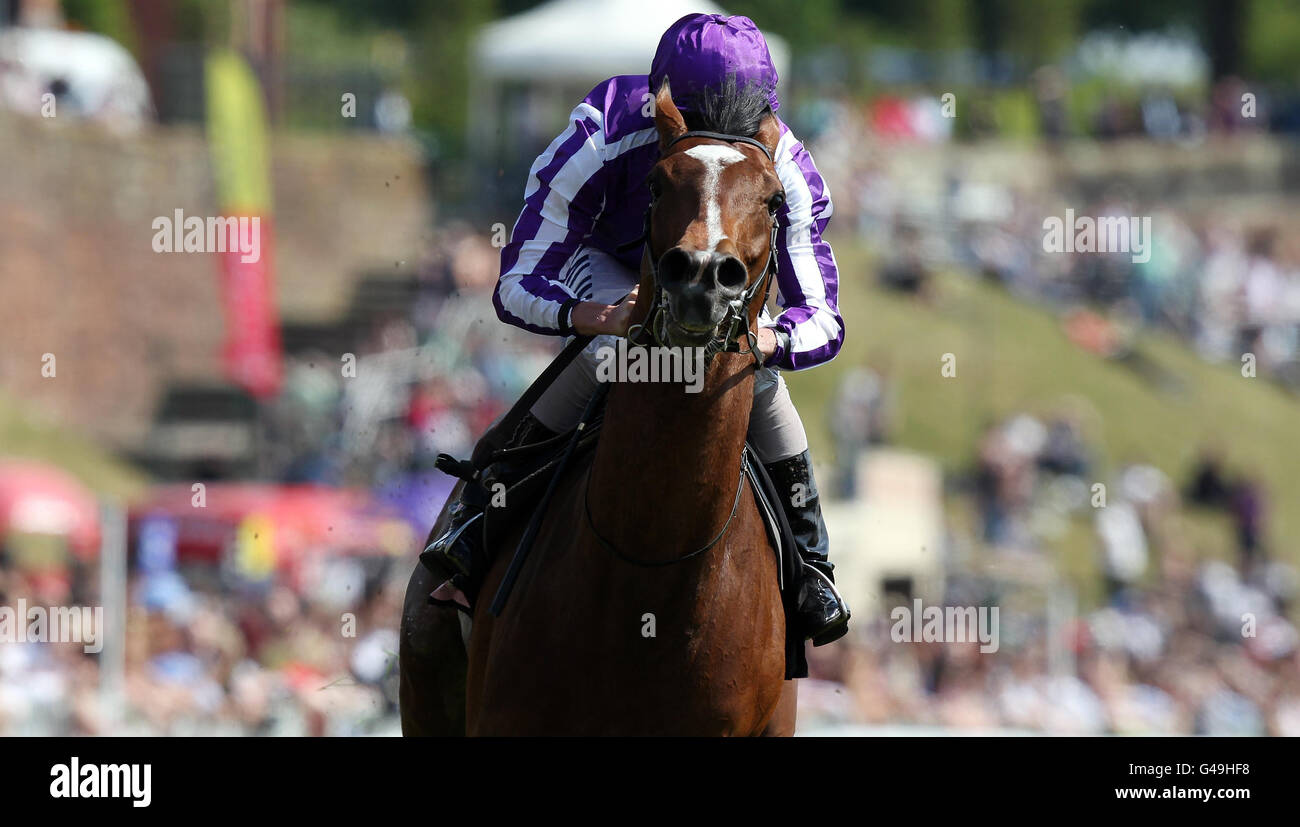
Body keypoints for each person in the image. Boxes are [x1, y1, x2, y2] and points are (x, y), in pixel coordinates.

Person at [427, 13, 849, 645]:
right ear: (661, 112)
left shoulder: (783, 162)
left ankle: (812, 563)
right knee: (608, 357)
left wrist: (772, 340)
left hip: (721, 276)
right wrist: (590, 316)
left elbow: (823, 317)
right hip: (608, 264)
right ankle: (479, 516)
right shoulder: (603, 127)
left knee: (755, 381)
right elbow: (516, 281)